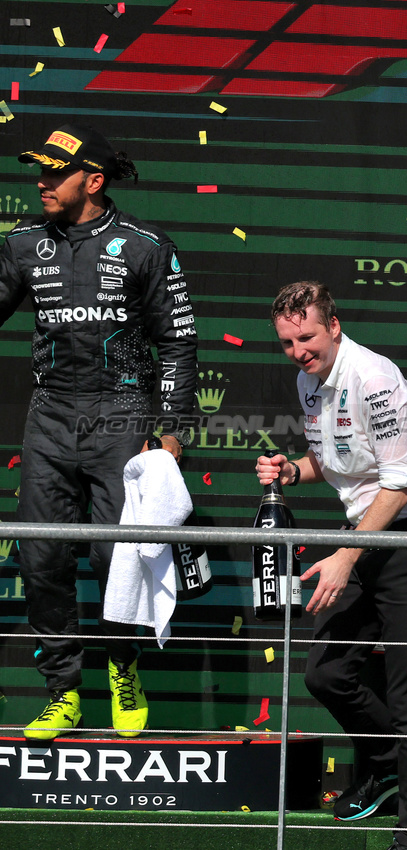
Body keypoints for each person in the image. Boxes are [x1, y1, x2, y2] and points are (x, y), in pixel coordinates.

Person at [0, 124, 197, 740]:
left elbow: (178, 344)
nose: (41, 183)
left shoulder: (145, 245)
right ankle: (63, 691)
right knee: (40, 557)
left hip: (122, 414)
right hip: (51, 414)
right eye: (39, 171)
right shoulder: (23, 243)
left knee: (119, 557)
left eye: (54, 173)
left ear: (93, 180)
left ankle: (123, 668)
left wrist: (172, 431)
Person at [255, 281, 407, 850]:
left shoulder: (375, 377)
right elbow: (336, 458)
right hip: (367, 538)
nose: (298, 351)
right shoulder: (307, 380)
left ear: (334, 325)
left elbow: (399, 480)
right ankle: (389, 760)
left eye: (308, 337)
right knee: (325, 673)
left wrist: (345, 556)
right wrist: (292, 471)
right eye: (288, 342)